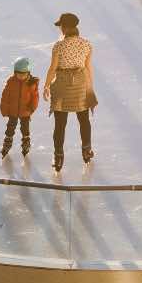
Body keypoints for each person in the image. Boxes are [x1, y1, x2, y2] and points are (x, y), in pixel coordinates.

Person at [43, 13, 95, 171]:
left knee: (60, 124)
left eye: (60, 26)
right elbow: (88, 67)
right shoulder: (87, 44)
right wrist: (90, 86)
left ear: (64, 28)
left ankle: (58, 157)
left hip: (62, 86)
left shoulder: (58, 46)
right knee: (84, 120)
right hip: (80, 84)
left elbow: (53, 68)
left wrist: (46, 86)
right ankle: (86, 151)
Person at [0, 57, 39, 159]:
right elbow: (5, 96)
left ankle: (26, 142)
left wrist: (32, 108)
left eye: (24, 74)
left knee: (25, 128)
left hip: (25, 111)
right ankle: (7, 141)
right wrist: (4, 109)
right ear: (15, 72)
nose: (21, 76)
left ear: (28, 73)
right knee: (10, 127)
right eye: (19, 74)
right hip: (12, 111)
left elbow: (35, 97)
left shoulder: (31, 83)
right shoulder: (11, 82)